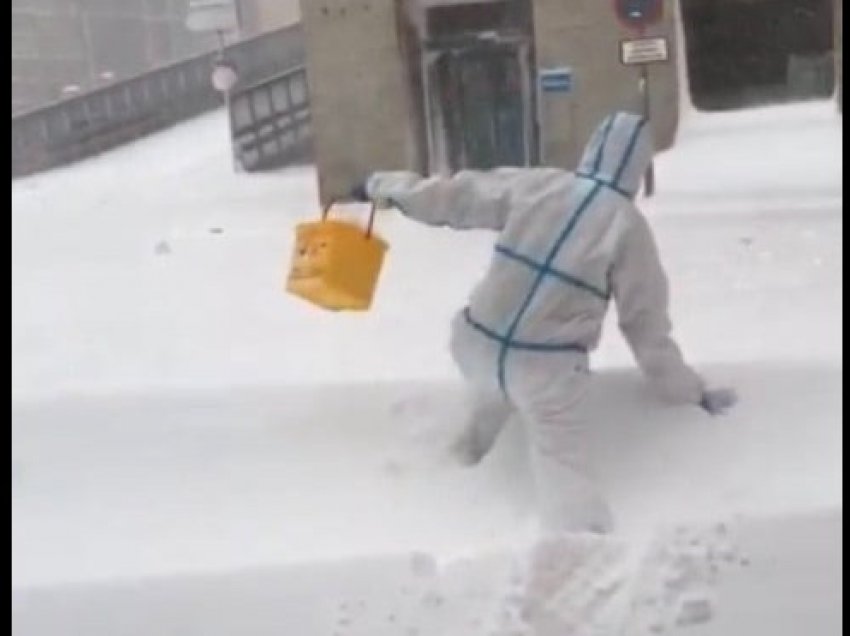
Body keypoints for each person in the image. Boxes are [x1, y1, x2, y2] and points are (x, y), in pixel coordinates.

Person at [351, 111, 737, 535]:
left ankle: (454, 477)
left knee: (490, 402)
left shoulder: (540, 186)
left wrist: (381, 186)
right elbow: (646, 327)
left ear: (592, 149)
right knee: (562, 464)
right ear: (637, 166)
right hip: (544, 368)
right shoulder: (628, 228)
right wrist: (687, 392)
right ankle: (580, 541)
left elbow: (454, 196)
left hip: (475, 341)